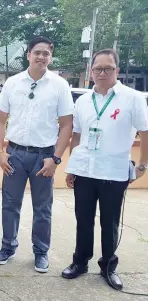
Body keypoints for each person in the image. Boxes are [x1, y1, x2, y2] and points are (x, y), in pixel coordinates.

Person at [61, 49, 148, 290]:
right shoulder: (84, 101)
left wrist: (142, 164)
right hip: (85, 171)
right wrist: (72, 166)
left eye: (107, 68)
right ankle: (80, 262)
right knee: (83, 220)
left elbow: (145, 131)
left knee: (109, 223)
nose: (102, 73)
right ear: (91, 71)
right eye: (97, 68)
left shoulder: (132, 98)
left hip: (114, 172)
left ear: (117, 71)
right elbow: (76, 135)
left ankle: (108, 267)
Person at [0, 36, 74, 272]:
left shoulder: (59, 85)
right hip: (15, 154)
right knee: (10, 204)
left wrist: (56, 158)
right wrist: (0, 152)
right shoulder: (13, 83)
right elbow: (0, 120)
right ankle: (8, 246)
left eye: (46, 53)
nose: (41, 57)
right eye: (36, 52)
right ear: (28, 54)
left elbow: (67, 125)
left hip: (44, 157)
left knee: (42, 207)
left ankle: (41, 252)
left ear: (50, 56)